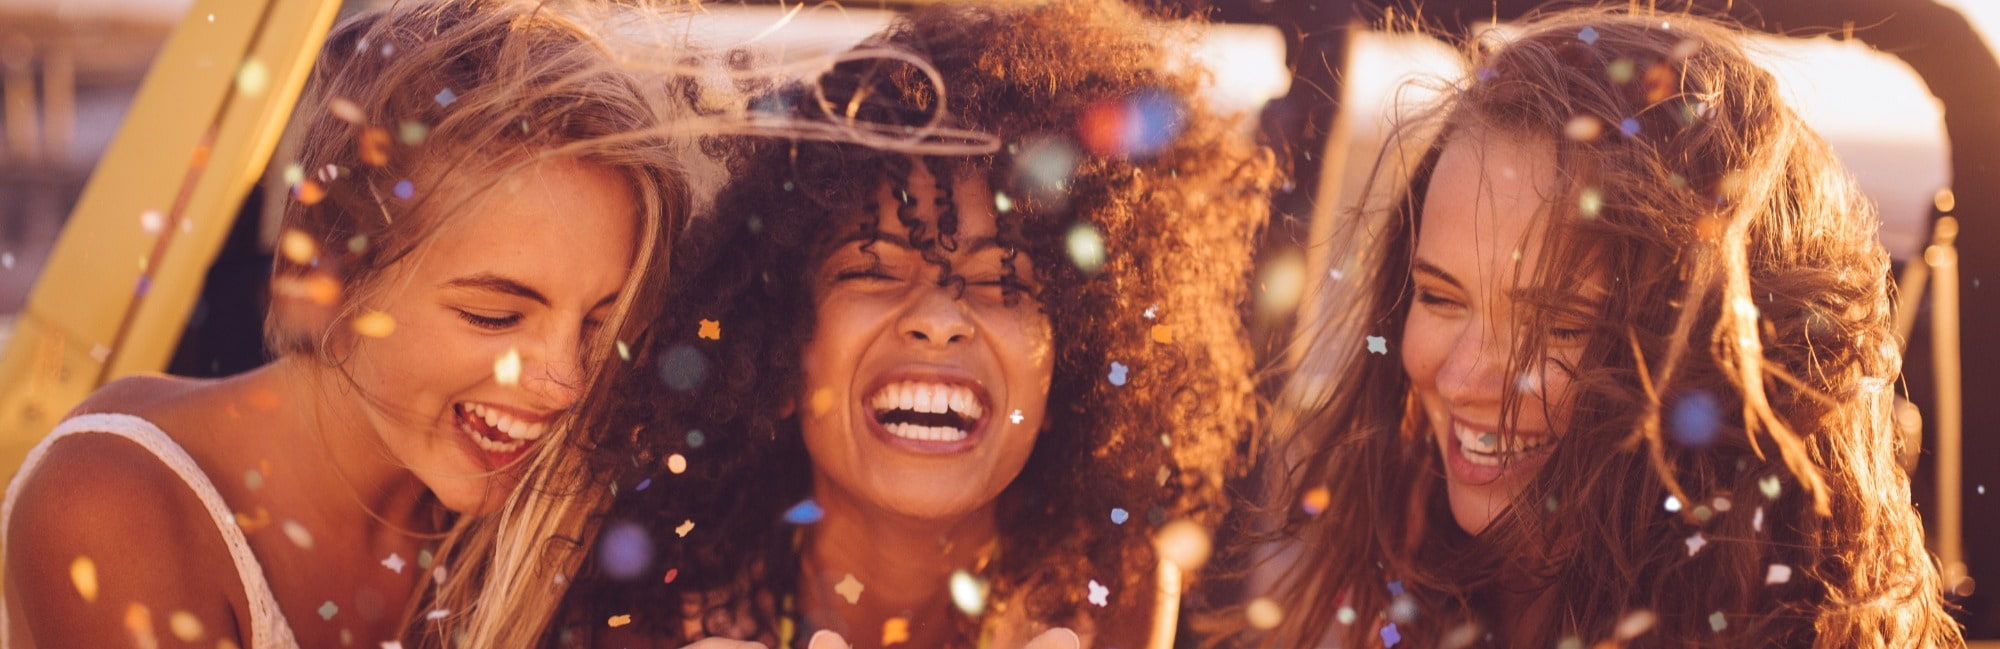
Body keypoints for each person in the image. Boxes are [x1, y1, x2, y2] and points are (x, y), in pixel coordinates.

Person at [542, 2, 1277, 647]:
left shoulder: (1111, 590)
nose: (937, 319)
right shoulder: (653, 599)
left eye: (1001, 281)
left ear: (1077, 363)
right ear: (777, 348)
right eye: (873, 268)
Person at [1253, 8, 1962, 648]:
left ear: (1714, 365)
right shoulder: (1379, 590)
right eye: (1441, 298)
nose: (1463, 375)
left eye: (1557, 324)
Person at [0, 1, 692, 647]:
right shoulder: (110, 509)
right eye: (495, 314)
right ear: (326, 282)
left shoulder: (540, 519)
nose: (566, 380)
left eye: (602, 324)